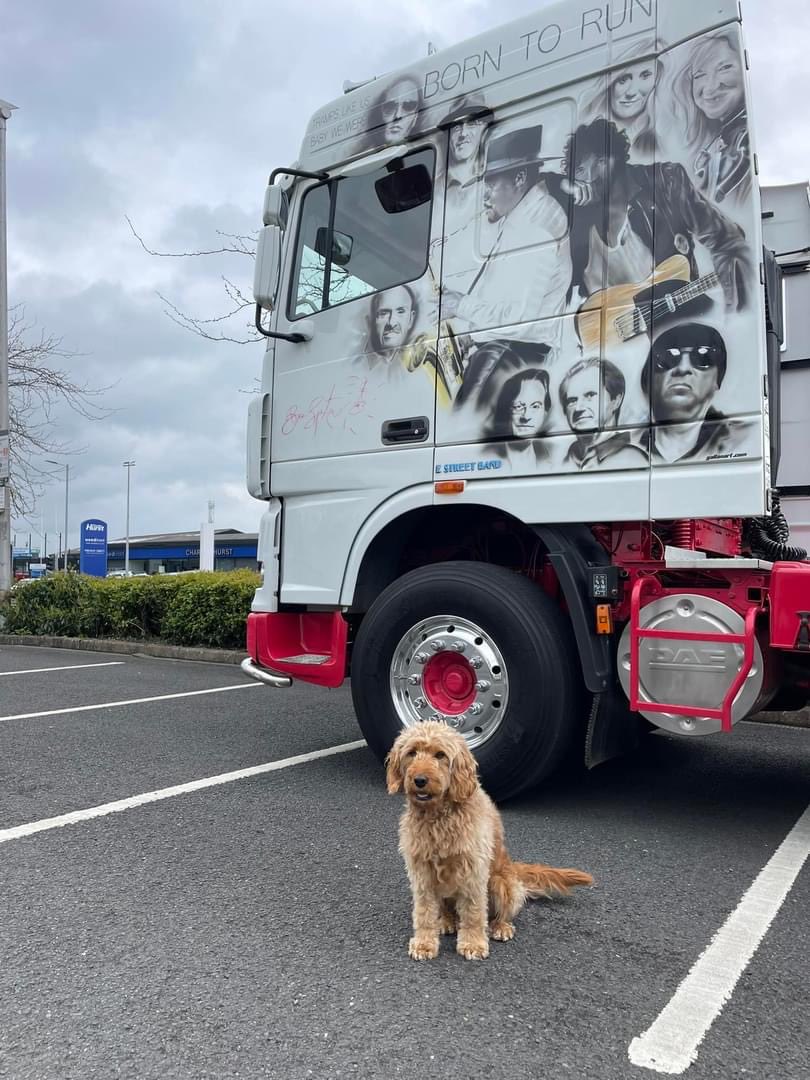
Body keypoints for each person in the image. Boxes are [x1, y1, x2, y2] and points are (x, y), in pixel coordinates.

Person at [545, 118, 750, 310]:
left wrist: (734, 316)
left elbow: (728, 243)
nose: (576, 180)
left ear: (604, 161)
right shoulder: (582, 213)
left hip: (680, 328)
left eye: (579, 170)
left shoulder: (665, 181)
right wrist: (564, 184)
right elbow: (532, 179)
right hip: (611, 342)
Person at [441, 125, 572, 337]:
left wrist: (459, 305)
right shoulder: (525, 213)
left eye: (491, 187)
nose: (484, 197)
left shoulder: (535, 225)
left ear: (520, 178)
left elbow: (517, 321)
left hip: (518, 351)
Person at [642, 323, 753, 462]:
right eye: (668, 357)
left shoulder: (744, 440)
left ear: (718, 379)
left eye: (702, 357)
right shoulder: (625, 446)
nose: (683, 368)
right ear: (649, 379)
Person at [672, 31, 750, 205]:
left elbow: (712, 198)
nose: (710, 87)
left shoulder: (742, 137)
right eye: (699, 75)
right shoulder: (722, 135)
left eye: (724, 68)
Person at [559, 357, 647, 469]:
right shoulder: (560, 462)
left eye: (590, 395)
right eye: (572, 401)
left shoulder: (633, 460)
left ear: (616, 400)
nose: (578, 408)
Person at [580, 39, 661, 161]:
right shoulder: (587, 135)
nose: (631, 92)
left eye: (645, 76)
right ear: (609, 84)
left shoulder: (660, 136)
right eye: (623, 79)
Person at [484, 367, 552, 469]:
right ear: (505, 410)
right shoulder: (487, 456)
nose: (526, 416)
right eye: (518, 407)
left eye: (535, 406)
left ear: (545, 412)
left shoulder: (547, 459)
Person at [364, 284, 418, 377]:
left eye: (401, 312)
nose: (392, 323)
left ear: (411, 319)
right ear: (372, 321)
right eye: (383, 313)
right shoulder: (361, 364)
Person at [363, 75, 422, 150]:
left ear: (415, 118)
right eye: (390, 107)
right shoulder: (364, 158)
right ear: (380, 114)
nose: (398, 115)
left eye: (408, 106)